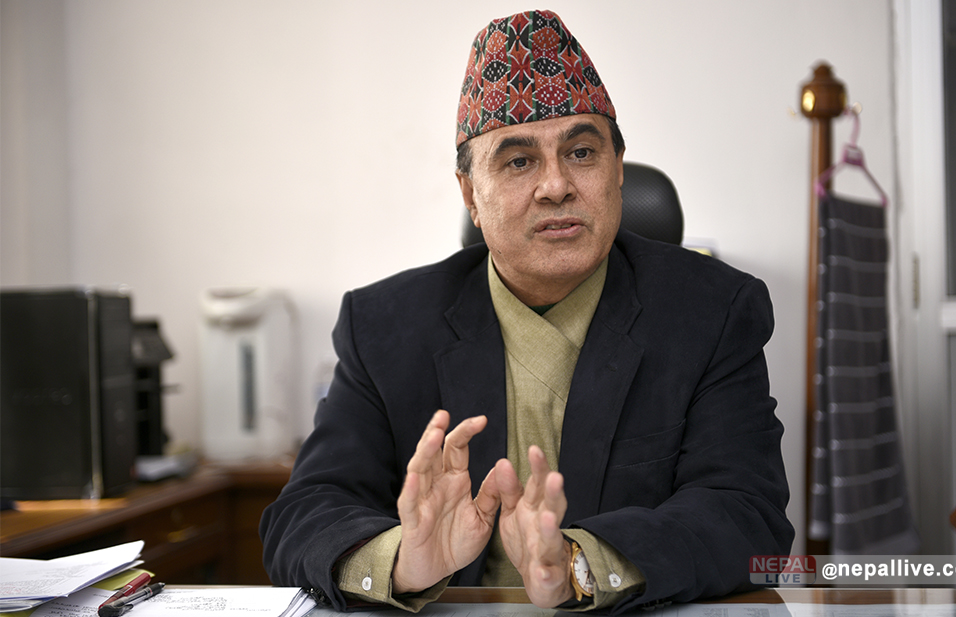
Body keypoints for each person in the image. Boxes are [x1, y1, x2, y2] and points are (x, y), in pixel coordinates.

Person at [260, 9, 793, 614]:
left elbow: (746, 514)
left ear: (618, 170)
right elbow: (302, 515)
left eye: (582, 152)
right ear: (471, 195)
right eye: (519, 162)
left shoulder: (712, 311)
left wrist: (579, 567)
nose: (556, 186)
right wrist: (405, 561)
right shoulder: (383, 326)